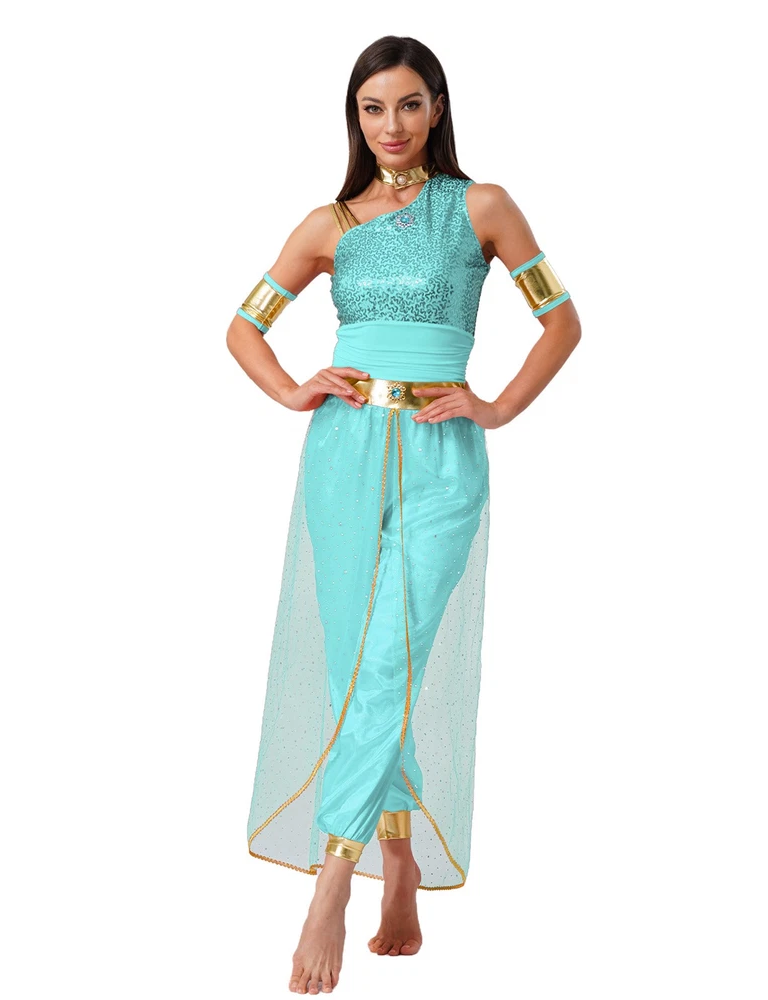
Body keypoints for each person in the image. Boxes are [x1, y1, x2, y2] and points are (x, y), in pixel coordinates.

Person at [226, 35, 581, 997]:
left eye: (410, 104)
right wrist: (293, 389)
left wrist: (497, 407)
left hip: (441, 453)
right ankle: (400, 861)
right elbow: (244, 327)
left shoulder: (482, 207)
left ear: (438, 107)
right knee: (359, 662)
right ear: (355, 116)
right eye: (373, 108)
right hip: (343, 451)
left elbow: (562, 321)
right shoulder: (329, 224)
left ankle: (332, 877)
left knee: (392, 658)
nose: (392, 125)